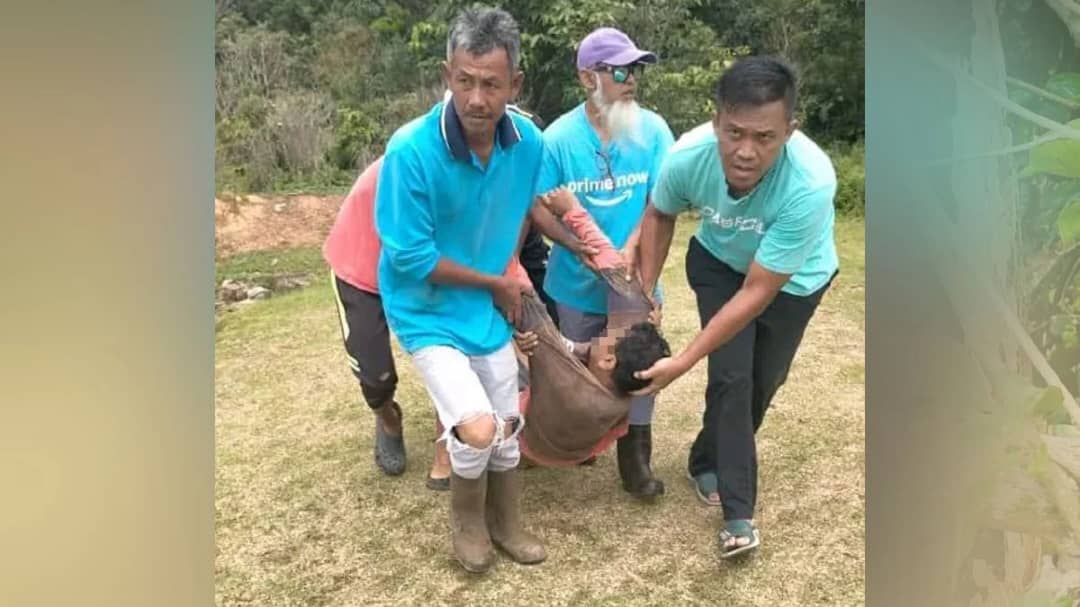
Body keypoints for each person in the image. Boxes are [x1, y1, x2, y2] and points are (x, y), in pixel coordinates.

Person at [635, 56, 839, 558]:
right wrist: (645, 293)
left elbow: (759, 291)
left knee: (762, 382)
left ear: (789, 131)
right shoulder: (688, 156)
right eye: (735, 133)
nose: (745, 151)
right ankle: (739, 516)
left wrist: (683, 360)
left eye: (764, 138)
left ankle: (706, 454)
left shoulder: (810, 183)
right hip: (719, 264)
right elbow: (660, 213)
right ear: (716, 121)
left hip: (792, 281)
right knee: (732, 376)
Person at [374, 6, 545, 573]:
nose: (477, 98)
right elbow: (412, 256)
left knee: (505, 424)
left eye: (492, 84)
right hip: (425, 309)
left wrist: (507, 267)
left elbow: (526, 207)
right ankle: (467, 522)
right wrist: (497, 279)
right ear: (448, 73)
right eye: (465, 81)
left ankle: (506, 521)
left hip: (485, 305)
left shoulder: (529, 144)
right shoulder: (411, 151)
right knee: (474, 428)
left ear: (514, 84)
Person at [534, 27, 676, 499]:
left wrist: (637, 248)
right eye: (619, 70)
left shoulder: (653, 130)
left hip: (636, 282)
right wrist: (575, 246)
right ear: (586, 77)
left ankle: (635, 458)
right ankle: (585, 436)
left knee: (640, 367)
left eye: (635, 70)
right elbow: (537, 205)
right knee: (581, 366)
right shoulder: (557, 139)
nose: (631, 79)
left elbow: (663, 201)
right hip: (575, 284)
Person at [509, 187, 671, 468]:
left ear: (608, 360)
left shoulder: (573, 390)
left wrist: (505, 250)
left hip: (533, 437)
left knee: (508, 346)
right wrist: (574, 214)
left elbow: (527, 306)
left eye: (606, 337)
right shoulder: (627, 385)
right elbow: (622, 277)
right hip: (578, 437)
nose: (602, 333)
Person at [323, 156, 453, 491]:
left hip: (421, 274)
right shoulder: (418, 159)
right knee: (376, 377)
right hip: (362, 269)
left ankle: (446, 449)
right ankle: (388, 418)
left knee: (449, 353)